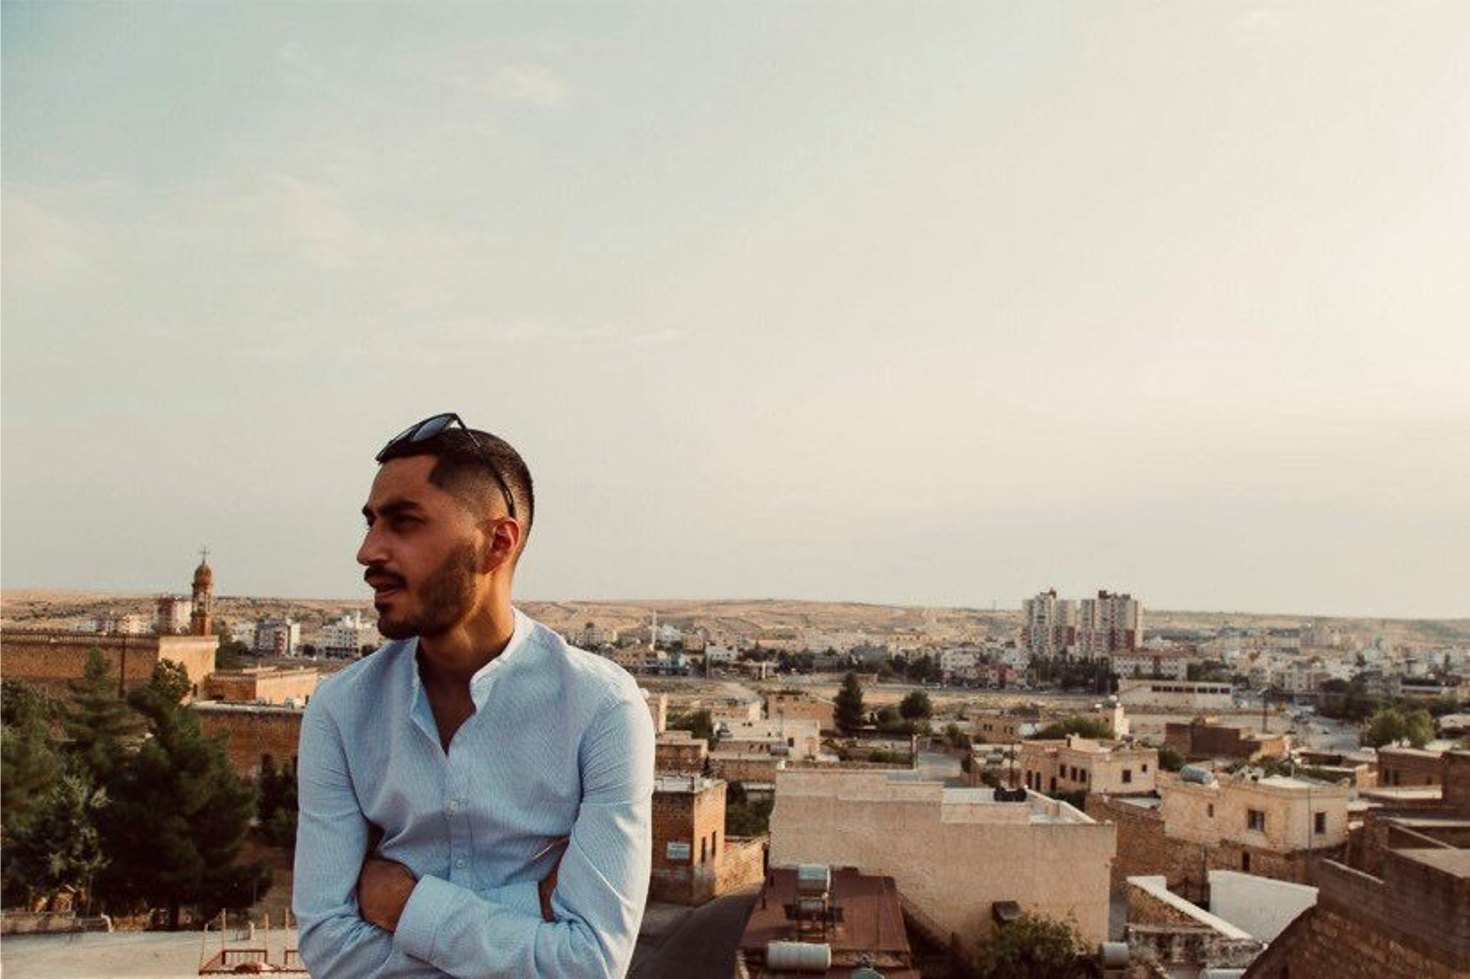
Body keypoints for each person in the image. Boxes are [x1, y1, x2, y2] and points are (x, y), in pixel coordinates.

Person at [293, 413, 655, 977]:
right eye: (370, 524)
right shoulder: (341, 710)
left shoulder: (600, 710)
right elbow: (330, 947)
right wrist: (532, 906)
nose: (368, 551)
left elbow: (590, 963)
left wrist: (405, 906)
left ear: (496, 543)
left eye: (404, 523)